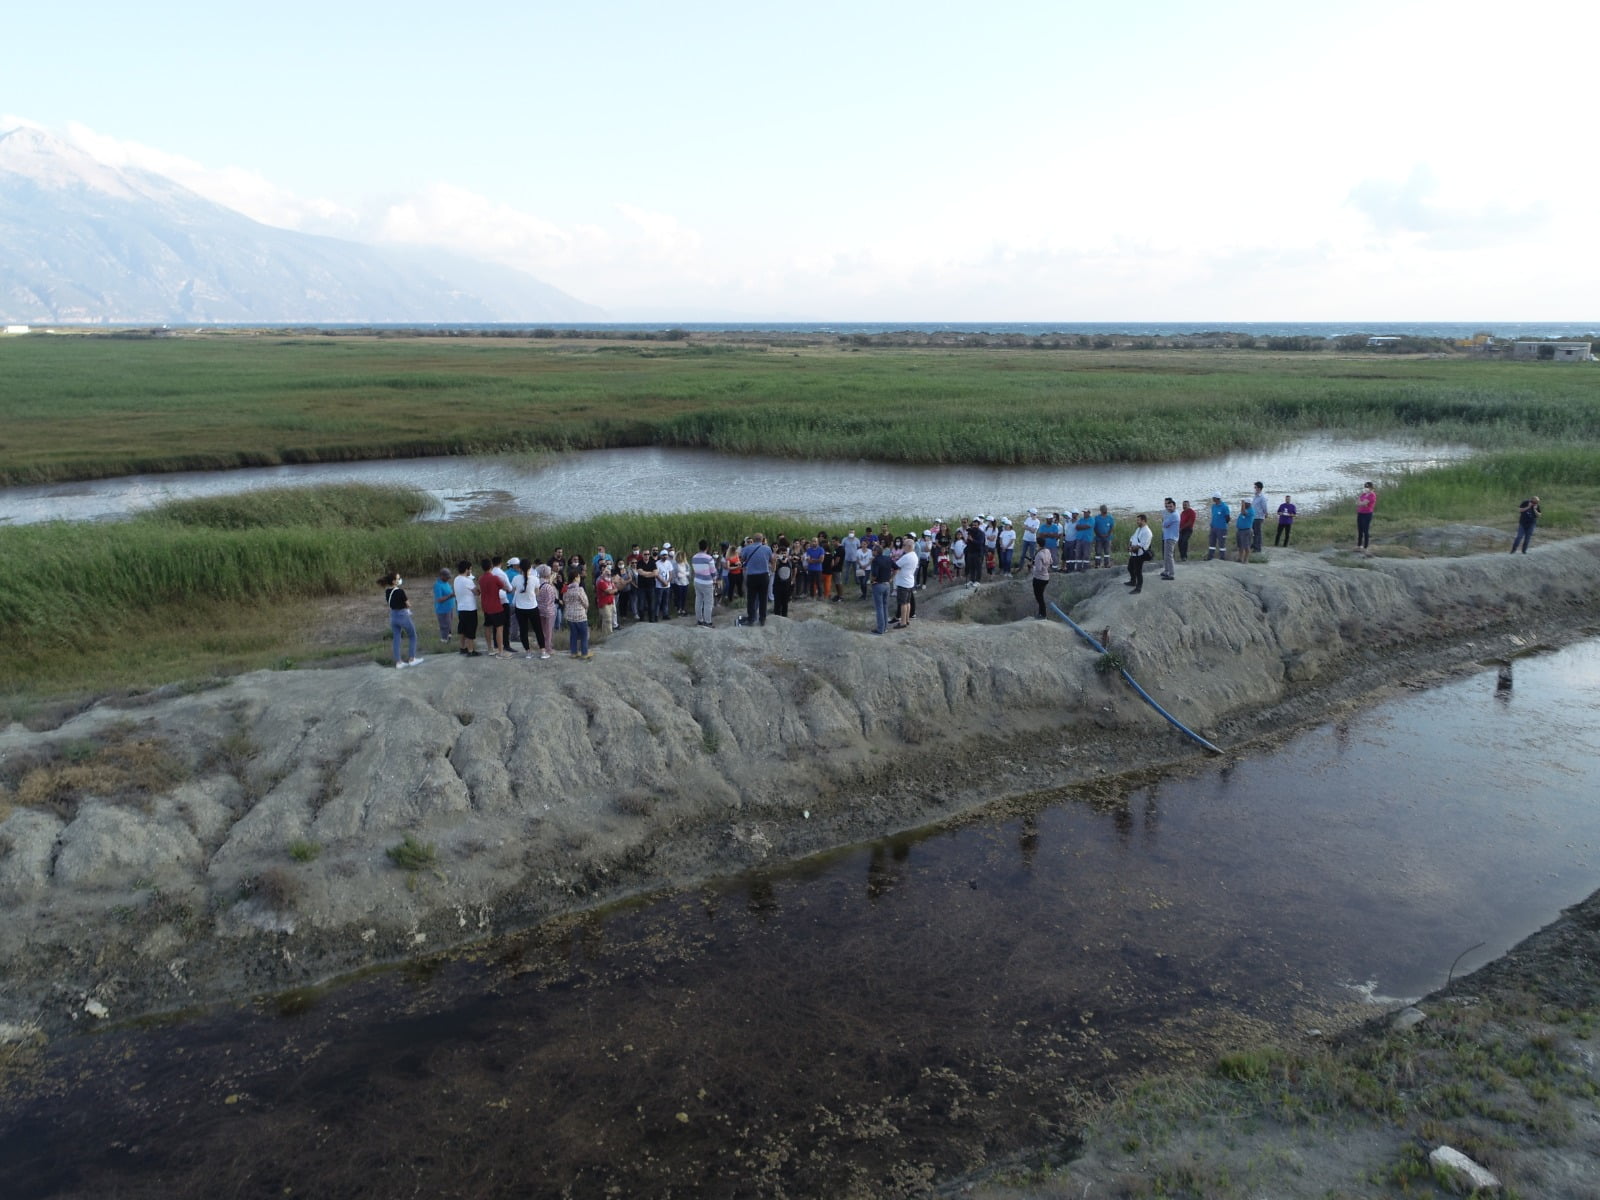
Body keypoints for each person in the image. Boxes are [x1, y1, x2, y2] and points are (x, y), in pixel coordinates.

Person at [381, 572, 422, 668]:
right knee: (412, 636)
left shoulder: (387, 591)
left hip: (393, 616)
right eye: (398, 578)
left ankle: (398, 662)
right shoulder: (400, 591)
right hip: (403, 616)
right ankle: (412, 659)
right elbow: (408, 604)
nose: (400, 580)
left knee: (396, 638)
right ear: (394, 581)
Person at [511, 555, 542, 655]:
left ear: (519, 568)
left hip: (520, 608)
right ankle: (543, 651)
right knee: (538, 630)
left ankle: (528, 652)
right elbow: (537, 592)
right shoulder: (535, 579)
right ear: (530, 568)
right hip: (533, 607)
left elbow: (512, 591)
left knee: (523, 630)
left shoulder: (516, 578)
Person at [478, 557, 509, 655]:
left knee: (487, 626)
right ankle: (500, 651)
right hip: (495, 606)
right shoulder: (494, 578)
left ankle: (490, 648)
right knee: (499, 628)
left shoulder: (481, 578)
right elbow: (504, 587)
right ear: (491, 566)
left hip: (485, 605)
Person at [742, 534, 773, 626]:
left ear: (753, 540)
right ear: (762, 539)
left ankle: (751, 618)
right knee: (763, 598)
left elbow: (743, 558)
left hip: (752, 576)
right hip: (764, 575)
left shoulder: (747, 548)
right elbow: (771, 560)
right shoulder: (767, 548)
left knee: (751, 598)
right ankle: (762, 618)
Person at [453, 561, 481, 656]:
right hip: (470, 608)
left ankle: (462, 647)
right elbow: (476, 592)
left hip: (461, 608)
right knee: (470, 629)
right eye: (470, 569)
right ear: (466, 569)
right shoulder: (467, 581)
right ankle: (470, 650)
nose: (471, 571)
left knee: (462, 629)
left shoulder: (456, 579)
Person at [891, 535, 919, 628]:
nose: (903, 547)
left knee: (903, 603)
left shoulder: (907, 556)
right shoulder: (914, 555)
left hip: (903, 582)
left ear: (909, 546)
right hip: (909, 581)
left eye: (904, 545)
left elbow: (895, 565)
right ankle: (906, 620)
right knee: (907, 602)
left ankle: (902, 622)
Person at [563, 571, 591, 659]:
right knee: (584, 635)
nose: (580, 578)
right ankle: (584, 653)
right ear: (575, 578)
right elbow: (586, 603)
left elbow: (564, 600)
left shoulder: (566, 589)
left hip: (570, 616)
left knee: (573, 635)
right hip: (580, 616)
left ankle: (573, 652)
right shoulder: (580, 589)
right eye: (579, 577)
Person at [870, 539, 895, 634]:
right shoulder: (888, 558)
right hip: (887, 584)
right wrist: (891, 578)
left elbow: (875, 574)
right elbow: (896, 568)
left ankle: (880, 629)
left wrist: (872, 581)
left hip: (878, 585)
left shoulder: (875, 560)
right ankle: (885, 627)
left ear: (876, 551)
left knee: (879, 607)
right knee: (885, 606)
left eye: (873, 550)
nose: (872, 552)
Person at [1122, 514, 1152, 593]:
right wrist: (1130, 545)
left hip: (1140, 554)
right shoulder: (1139, 529)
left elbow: (1142, 545)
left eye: (1138, 520)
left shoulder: (1147, 532)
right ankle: (1133, 581)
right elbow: (1132, 537)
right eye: (1137, 520)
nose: (1137, 522)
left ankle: (1138, 588)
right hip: (1133, 553)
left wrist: (1131, 548)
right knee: (1130, 568)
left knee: (1138, 571)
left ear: (1143, 520)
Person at [691, 539, 718, 626]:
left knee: (698, 600)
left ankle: (699, 620)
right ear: (707, 547)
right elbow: (713, 571)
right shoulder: (709, 558)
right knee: (708, 602)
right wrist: (714, 579)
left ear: (699, 547)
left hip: (697, 581)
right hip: (707, 582)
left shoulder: (694, 557)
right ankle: (708, 621)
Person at [535, 565, 558, 659]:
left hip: (539, 609)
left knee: (542, 629)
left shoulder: (537, 583)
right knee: (548, 630)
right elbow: (552, 598)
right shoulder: (548, 586)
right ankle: (548, 648)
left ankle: (542, 646)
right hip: (549, 610)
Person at [1030, 543, 1054, 618]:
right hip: (1046, 578)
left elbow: (1038, 569)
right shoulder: (1048, 551)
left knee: (1039, 598)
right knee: (1041, 596)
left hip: (1038, 578)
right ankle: (1041, 614)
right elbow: (1051, 562)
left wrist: (1032, 567)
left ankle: (1043, 614)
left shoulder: (1039, 555)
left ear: (1038, 544)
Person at [431, 568, 455, 643]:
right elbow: (439, 599)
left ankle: (448, 640)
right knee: (445, 626)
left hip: (449, 608)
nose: (448, 578)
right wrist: (450, 596)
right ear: (441, 576)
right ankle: (443, 641)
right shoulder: (438, 585)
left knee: (449, 625)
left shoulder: (446, 583)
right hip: (442, 609)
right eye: (447, 577)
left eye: (449, 577)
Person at [1206, 494, 1230, 561]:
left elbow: (1228, 518)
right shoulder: (1213, 506)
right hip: (1213, 527)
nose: (1212, 499)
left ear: (1217, 498)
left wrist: (1223, 524)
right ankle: (1210, 556)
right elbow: (1213, 516)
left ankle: (1222, 557)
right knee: (1211, 543)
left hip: (1222, 528)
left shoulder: (1224, 507)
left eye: (1213, 498)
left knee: (1222, 543)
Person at [1159, 498, 1179, 580]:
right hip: (1168, 537)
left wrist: (1164, 522)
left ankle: (1171, 574)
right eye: (1167, 507)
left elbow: (1164, 524)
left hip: (1170, 537)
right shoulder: (1174, 514)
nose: (1169, 508)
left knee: (1169, 556)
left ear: (1174, 506)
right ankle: (1166, 571)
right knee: (1167, 556)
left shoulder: (1173, 515)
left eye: (1171, 506)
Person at [597, 564, 619, 632]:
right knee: (607, 619)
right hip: (604, 604)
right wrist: (610, 591)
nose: (608, 575)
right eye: (606, 573)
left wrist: (610, 591)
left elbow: (616, 589)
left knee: (610, 618)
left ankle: (608, 633)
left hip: (611, 602)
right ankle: (607, 635)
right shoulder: (601, 582)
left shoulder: (610, 581)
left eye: (609, 573)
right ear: (602, 573)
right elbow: (609, 592)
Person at [1356, 482, 1377, 551]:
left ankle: (1366, 547)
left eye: (1367, 487)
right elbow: (1358, 502)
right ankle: (1359, 545)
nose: (1366, 488)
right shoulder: (1364, 494)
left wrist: (1362, 503)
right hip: (1360, 513)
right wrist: (1362, 503)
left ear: (1371, 488)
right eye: (1365, 487)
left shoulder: (1372, 495)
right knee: (1360, 530)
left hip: (1367, 514)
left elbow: (1364, 503)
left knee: (1365, 530)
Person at [1250, 482, 1268, 553]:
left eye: (1255, 487)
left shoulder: (1262, 497)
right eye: (1254, 487)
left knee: (1258, 533)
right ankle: (1254, 545)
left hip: (1259, 517)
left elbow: (1264, 507)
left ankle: (1258, 548)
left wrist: (1266, 513)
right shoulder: (1255, 496)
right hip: (1253, 517)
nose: (1254, 489)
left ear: (1259, 488)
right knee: (1254, 532)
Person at [1235, 499, 1255, 563]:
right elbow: (1242, 511)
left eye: (1246, 503)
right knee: (1240, 546)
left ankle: (1246, 559)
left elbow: (1243, 513)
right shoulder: (1245, 509)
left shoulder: (1251, 511)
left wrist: (1243, 504)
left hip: (1246, 531)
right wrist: (1242, 505)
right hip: (1240, 530)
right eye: (1244, 503)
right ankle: (1240, 558)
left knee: (1246, 546)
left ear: (1249, 504)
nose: (1244, 504)